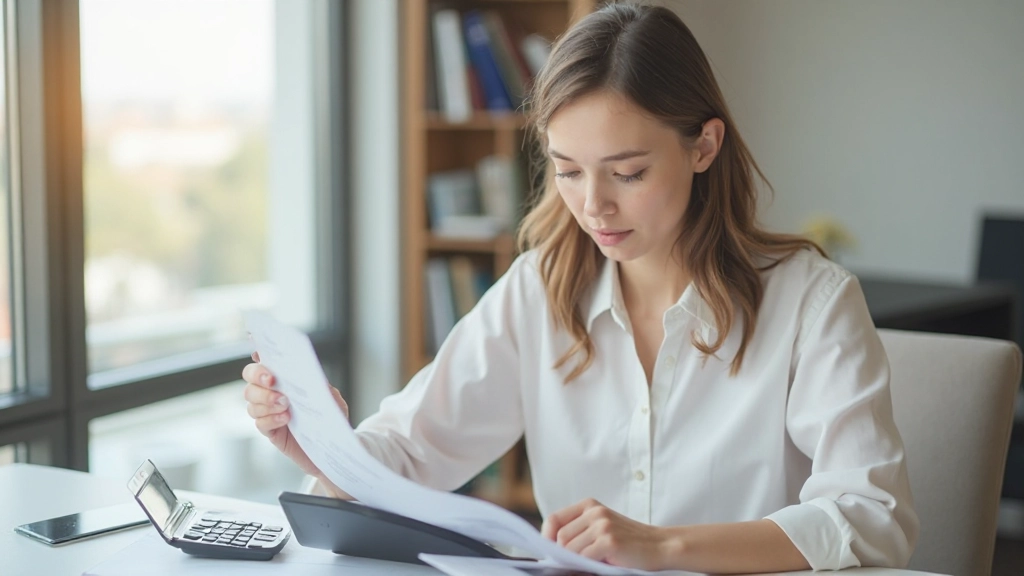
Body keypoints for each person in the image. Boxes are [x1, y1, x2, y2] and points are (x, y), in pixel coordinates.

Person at [242, 3, 918, 572]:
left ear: (704, 147)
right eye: (567, 170)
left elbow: (871, 515)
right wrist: (327, 451)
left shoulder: (811, 304)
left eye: (627, 173)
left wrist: (663, 547)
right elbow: (415, 449)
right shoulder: (538, 290)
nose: (593, 206)